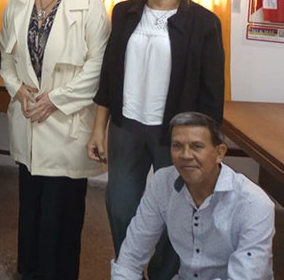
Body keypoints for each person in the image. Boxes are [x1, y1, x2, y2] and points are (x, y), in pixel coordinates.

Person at [87, 0, 225, 280]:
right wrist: (98, 129)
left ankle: (164, 273)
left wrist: (205, 146)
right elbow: (108, 76)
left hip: (176, 135)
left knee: (176, 211)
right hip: (126, 127)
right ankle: (129, 266)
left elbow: (212, 92)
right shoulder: (125, 12)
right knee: (120, 206)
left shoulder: (203, 23)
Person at [0, 0, 110, 280]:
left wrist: (55, 100)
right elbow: (5, 57)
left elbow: (98, 66)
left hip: (67, 120)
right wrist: (17, 90)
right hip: (29, 114)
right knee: (30, 203)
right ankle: (28, 269)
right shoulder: (17, 0)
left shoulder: (89, 3)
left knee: (62, 209)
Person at [111, 112, 275, 280]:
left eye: (197, 146)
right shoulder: (162, 183)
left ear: (220, 152)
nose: (185, 155)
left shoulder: (253, 204)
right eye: (177, 146)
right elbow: (131, 256)